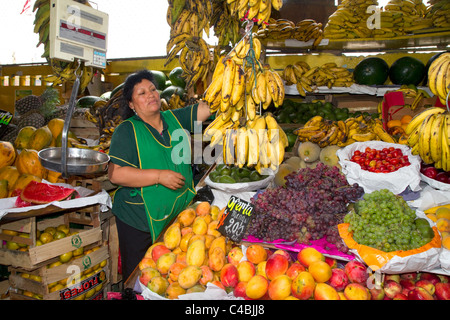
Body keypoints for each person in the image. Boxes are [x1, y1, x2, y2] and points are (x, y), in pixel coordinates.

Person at [108, 69, 211, 281]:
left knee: (170, 275)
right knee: (140, 277)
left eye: (153, 89)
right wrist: (159, 176)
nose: (151, 95)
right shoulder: (127, 131)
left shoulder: (174, 118)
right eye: (142, 93)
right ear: (131, 104)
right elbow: (116, 174)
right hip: (139, 219)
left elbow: (206, 110)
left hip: (176, 212)